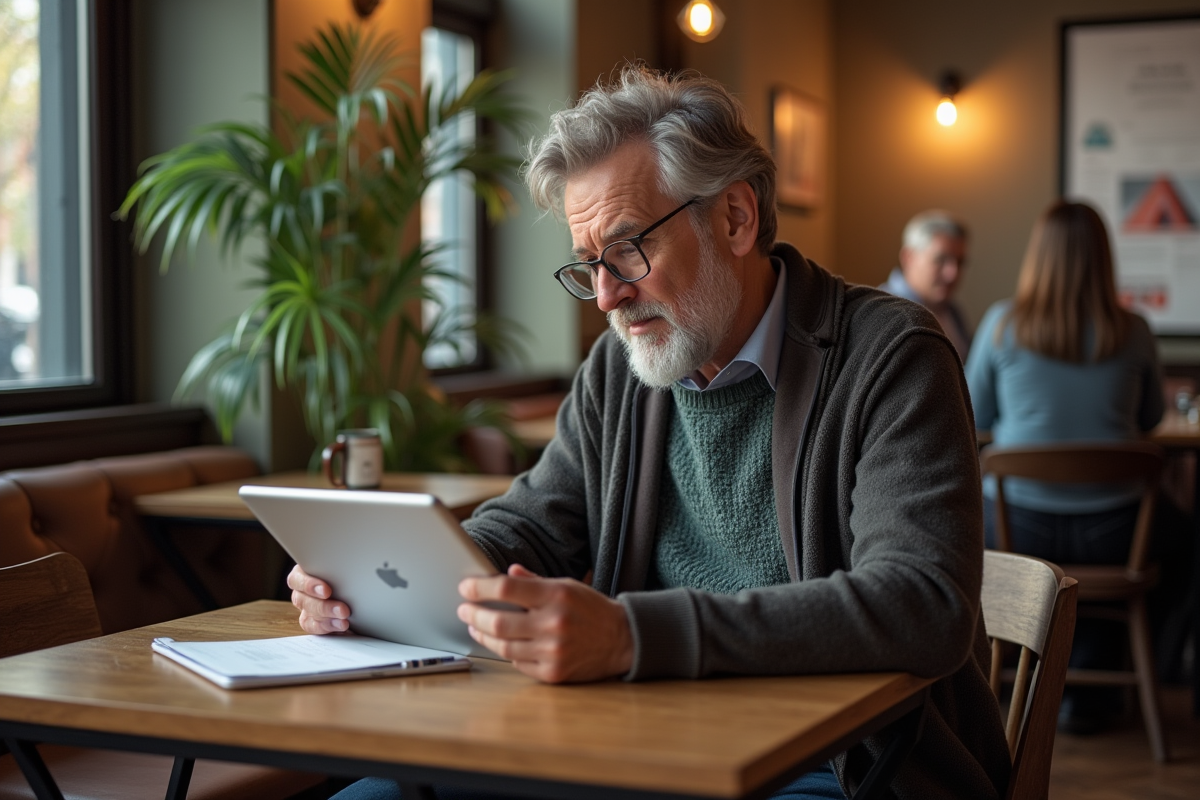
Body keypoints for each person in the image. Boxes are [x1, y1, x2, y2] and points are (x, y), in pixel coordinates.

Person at [291, 66, 1011, 800]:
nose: (606, 296)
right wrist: (382, 575)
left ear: (735, 218)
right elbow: (535, 522)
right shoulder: (620, 365)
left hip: (838, 762)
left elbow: (922, 603)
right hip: (629, 741)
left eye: (629, 249)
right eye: (587, 266)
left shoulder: (890, 356)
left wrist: (632, 635)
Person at [964, 200, 1168, 733]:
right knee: (1181, 542)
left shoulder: (1002, 325)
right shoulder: (1136, 330)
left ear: (1039, 256)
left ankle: (1011, 690)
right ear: (1105, 258)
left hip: (1016, 528)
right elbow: (1150, 420)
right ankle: (1098, 690)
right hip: (1117, 534)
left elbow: (974, 414)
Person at [880, 210, 972, 359]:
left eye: (960, 262)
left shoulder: (953, 312)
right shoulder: (884, 314)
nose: (952, 274)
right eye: (940, 260)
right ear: (908, 257)